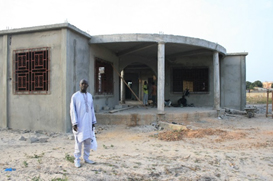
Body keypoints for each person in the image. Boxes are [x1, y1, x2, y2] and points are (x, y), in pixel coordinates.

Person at [70, 79, 97, 168]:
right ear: (79, 85)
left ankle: (86, 158)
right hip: (80, 124)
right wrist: (74, 123)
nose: (84, 85)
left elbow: (92, 109)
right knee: (78, 141)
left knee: (88, 141)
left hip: (88, 123)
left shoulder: (89, 96)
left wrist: (93, 121)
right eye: (82, 84)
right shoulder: (75, 96)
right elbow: (72, 110)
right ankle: (77, 160)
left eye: (85, 84)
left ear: (87, 86)